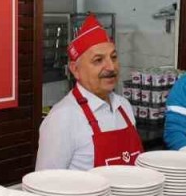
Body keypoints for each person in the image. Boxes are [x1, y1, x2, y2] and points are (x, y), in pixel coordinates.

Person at [36, 14, 143, 170]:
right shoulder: (62, 118)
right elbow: (45, 181)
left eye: (113, 57)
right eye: (98, 60)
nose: (111, 67)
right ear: (75, 69)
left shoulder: (124, 106)